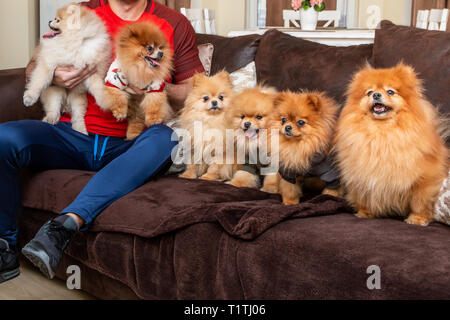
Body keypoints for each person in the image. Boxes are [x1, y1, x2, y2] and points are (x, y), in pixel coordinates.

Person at [0, 0, 204, 283]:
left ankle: (64, 226)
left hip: (131, 143)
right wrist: (53, 74)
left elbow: (196, 93)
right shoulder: (83, 12)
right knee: (5, 137)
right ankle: (4, 248)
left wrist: (154, 81)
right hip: (74, 135)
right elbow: (34, 65)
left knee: (167, 137)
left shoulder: (174, 23)